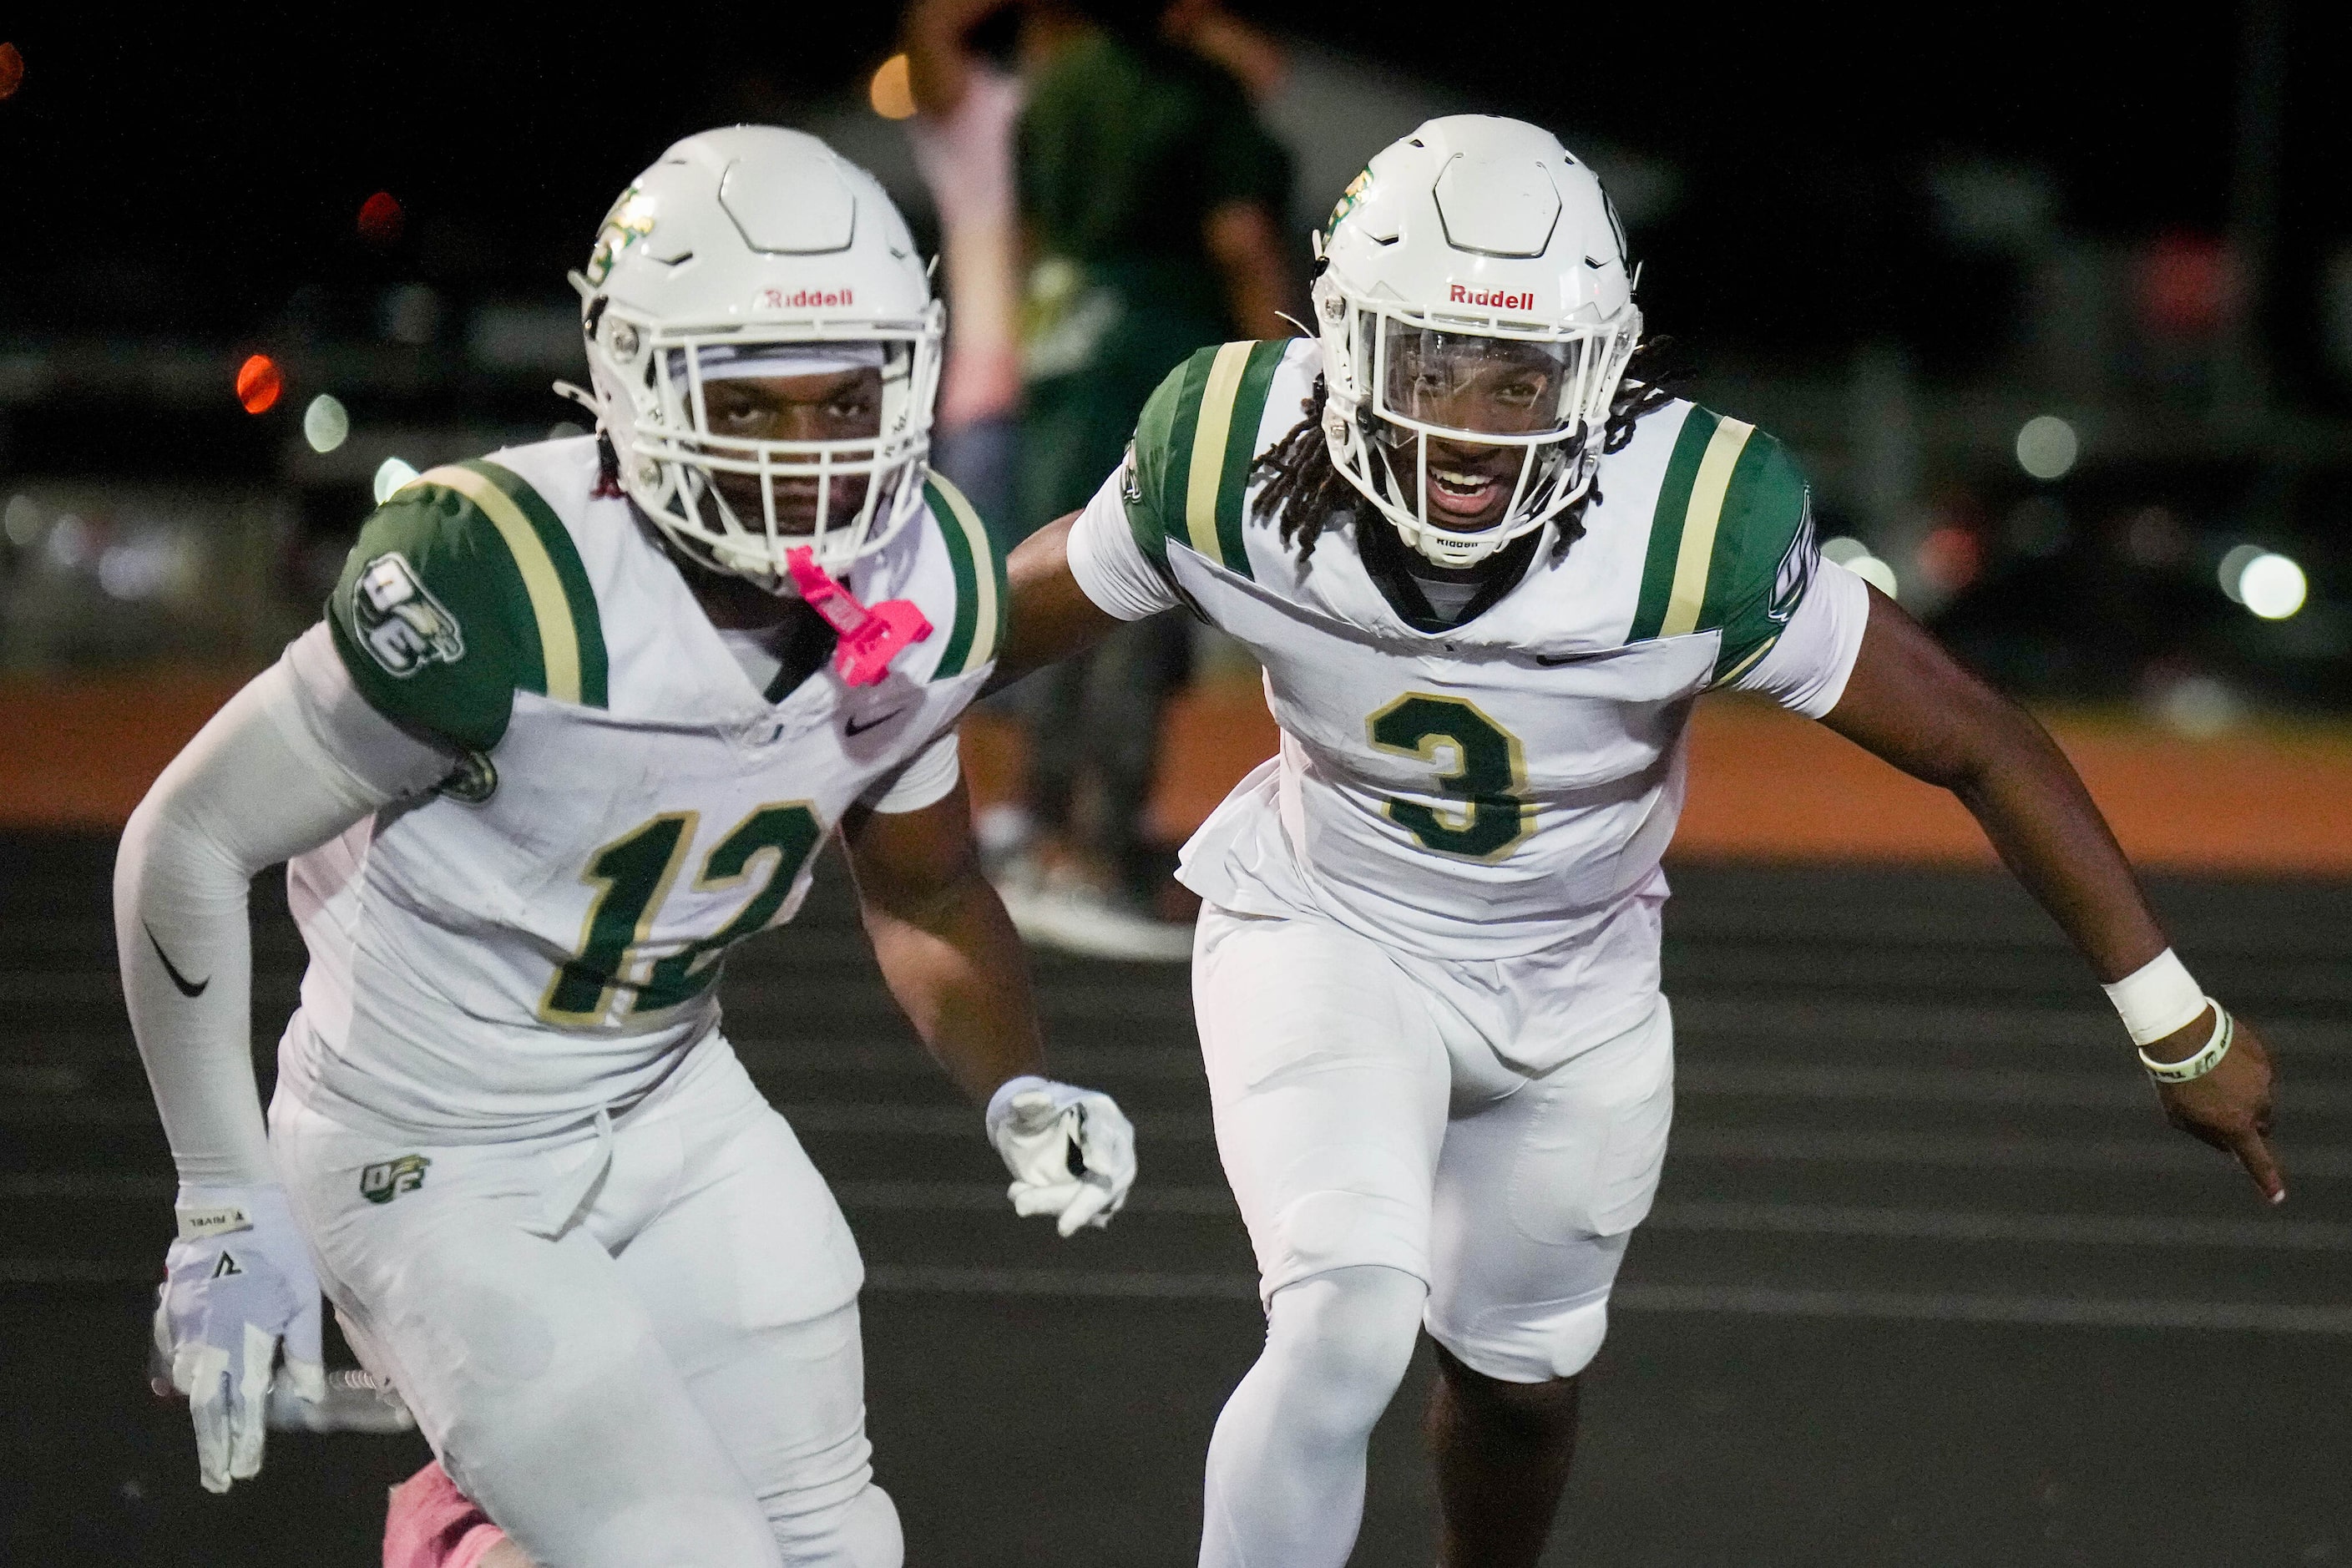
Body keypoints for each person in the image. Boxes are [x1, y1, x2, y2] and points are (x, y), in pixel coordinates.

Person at [994, 116, 2284, 1567]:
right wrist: (806, 718)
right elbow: (989, 622)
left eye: (1517, 372)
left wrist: (2170, 1019)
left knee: (1520, 1387)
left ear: (1597, 374)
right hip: (1328, 929)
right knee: (1343, 1319)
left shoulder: (1684, 523)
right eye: (1429, 360)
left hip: (1577, 992)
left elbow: (1975, 737)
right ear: (1346, 344)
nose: (1470, 420)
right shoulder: (1231, 452)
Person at [118, 126, 1137, 1568]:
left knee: (844, 1550)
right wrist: (221, 1195)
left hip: (668, 1099)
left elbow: (923, 879)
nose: (809, 458)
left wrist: (1016, 1077)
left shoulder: (936, 582)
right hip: (428, 1147)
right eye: (752, 400)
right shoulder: (502, 577)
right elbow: (189, 833)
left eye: (843, 396)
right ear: (636, 382)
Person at [906, 0, 1294, 961]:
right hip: (1160, 347)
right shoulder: (1199, 97)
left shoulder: (1057, 91)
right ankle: (1098, 851)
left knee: (1062, 580)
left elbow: (1033, 224)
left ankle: (1035, 824)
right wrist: (1290, 368)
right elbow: (1240, 236)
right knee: (1144, 599)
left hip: (1063, 344)